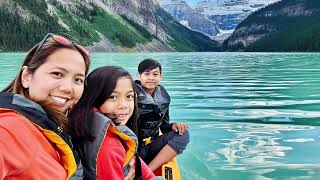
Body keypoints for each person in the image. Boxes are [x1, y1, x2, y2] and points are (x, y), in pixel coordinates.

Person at [0, 33, 90, 179]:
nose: (68, 88)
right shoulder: (8, 129)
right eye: (57, 74)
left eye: (78, 79)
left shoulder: (48, 123)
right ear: (27, 77)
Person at [69, 66, 155, 180]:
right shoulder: (109, 147)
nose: (123, 105)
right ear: (94, 97)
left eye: (129, 96)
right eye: (113, 97)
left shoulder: (82, 120)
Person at [135, 58, 190, 172]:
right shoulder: (129, 95)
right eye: (146, 74)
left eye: (155, 74)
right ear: (139, 76)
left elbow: (164, 127)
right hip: (132, 148)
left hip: (151, 146)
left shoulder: (164, 97)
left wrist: (173, 126)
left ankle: (148, 171)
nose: (151, 78)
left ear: (160, 77)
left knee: (183, 134)